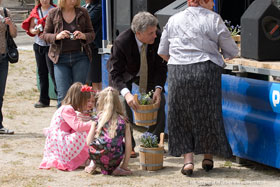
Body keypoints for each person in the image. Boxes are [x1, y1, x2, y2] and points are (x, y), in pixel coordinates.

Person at [158, 0, 238, 176]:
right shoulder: (214, 19)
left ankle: (188, 162)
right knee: (208, 113)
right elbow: (232, 52)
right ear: (204, 2)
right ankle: (208, 158)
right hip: (205, 70)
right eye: (211, 1)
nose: (214, 5)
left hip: (179, 71)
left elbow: (163, 51)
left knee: (182, 115)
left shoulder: (173, 19)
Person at [107, 11, 167, 158]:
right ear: (138, 33)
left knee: (159, 101)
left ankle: (151, 140)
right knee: (123, 105)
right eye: (150, 33)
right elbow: (115, 73)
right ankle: (128, 145)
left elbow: (161, 67)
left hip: (150, 74)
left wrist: (158, 89)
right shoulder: (122, 42)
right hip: (124, 75)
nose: (155, 35)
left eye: (155, 31)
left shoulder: (158, 37)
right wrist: (127, 95)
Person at [41, 0, 95, 108]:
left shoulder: (83, 12)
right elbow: (45, 35)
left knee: (79, 94)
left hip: (80, 57)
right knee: (63, 95)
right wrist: (57, 36)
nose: (73, 1)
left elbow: (92, 34)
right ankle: (62, 123)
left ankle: (77, 122)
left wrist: (83, 36)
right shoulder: (53, 13)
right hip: (60, 58)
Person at [39, 82, 96, 171]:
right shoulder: (67, 109)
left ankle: (84, 159)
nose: (89, 103)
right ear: (78, 99)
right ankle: (85, 159)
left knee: (85, 130)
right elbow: (77, 126)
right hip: (60, 143)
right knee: (86, 131)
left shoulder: (67, 108)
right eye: (86, 100)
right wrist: (93, 123)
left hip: (58, 141)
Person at [86, 87, 132, 175]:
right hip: (115, 157)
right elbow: (129, 145)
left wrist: (93, 126)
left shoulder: (97, 119)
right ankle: (115, 169)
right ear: (118, 103)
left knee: (97, 143)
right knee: (119, 143)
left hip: (97, 156)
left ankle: (93, 164)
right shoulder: (124, 120)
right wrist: (125, 165)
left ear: (101, 102)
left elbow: (88, 142)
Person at [21, 0, 56, 108]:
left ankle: (61, 98)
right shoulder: (36, 11)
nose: (44, 0)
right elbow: (31, 28)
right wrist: (34, 31)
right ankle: (44, 99)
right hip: (38, 45)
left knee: (54, 73)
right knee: (42, 73)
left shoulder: (54, 10)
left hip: (51, 45)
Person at [0, 1, 17, 134]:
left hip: (3, 57)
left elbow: (14, 34)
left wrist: (10, 24)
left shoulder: (5, 12)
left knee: (0, 94)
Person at [83, 0, 102, 91]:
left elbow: (86, 22)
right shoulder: (85, 7)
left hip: (94, 46)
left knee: (95, 78)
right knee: (88, 78)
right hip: (86, 47)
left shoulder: (99, 7)